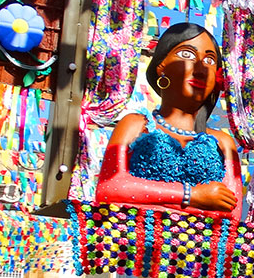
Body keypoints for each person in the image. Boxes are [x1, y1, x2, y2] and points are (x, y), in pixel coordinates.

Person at [94, 22, 244, 219]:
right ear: (161, 66)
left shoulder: (223, 143)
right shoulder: (135, 125)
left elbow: (231, 212)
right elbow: (110, 188)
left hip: (200, 248)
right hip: (136, 244)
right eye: (187, 55)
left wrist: (145, 200)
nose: (200, 68)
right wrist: (192, 196)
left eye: (209, 60)